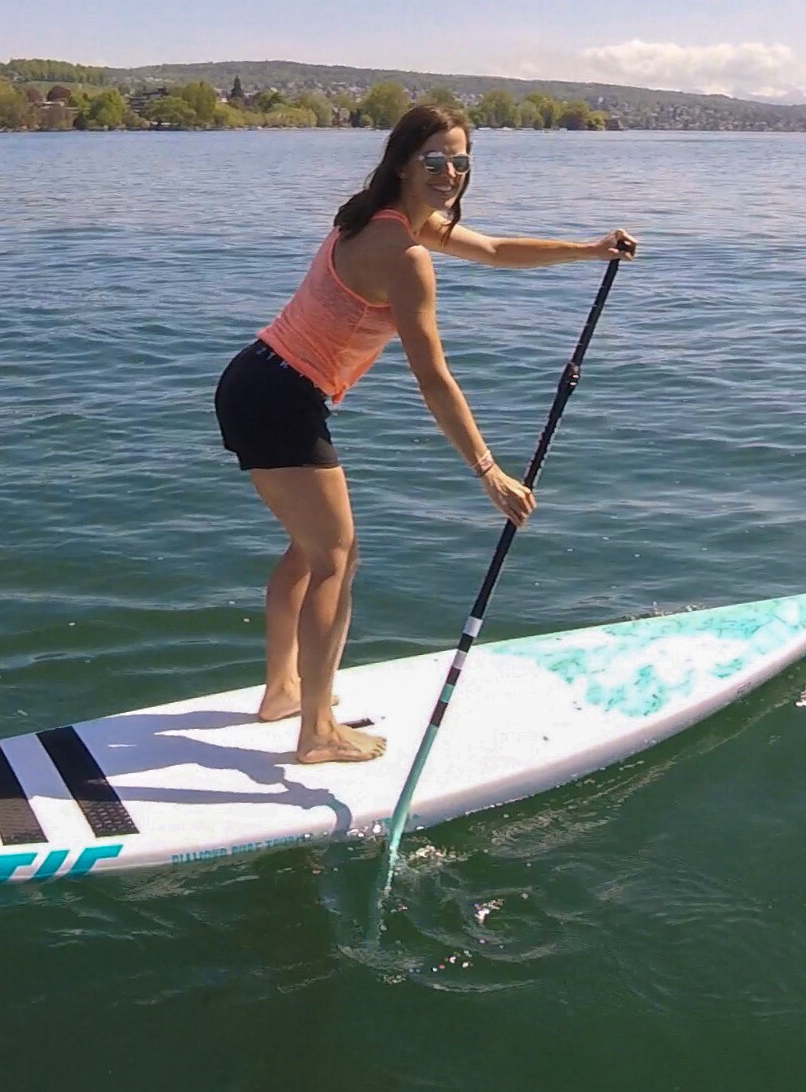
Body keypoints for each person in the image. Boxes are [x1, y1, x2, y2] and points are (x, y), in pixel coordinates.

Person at [214, 103, 637, 763]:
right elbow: (433, 378)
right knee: (334, 557)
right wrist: (487, 471)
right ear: (403, 163)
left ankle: (281, 692)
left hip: (258, 383)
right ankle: (316, 731)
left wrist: (586, 250)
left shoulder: (380, 217)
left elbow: (495, 250)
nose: (449, 173)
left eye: (460, 161)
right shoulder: (403, 253)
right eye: (434, 160)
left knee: (311, 550)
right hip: (277, 398)